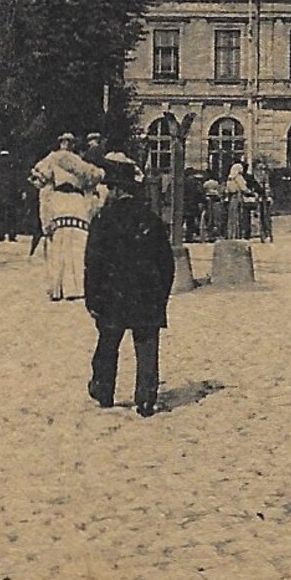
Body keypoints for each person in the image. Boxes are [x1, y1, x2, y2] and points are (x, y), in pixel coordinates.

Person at [83, 155, 173, 417]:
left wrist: (92, 299)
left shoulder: (103, 220)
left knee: (108, 343)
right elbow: (166, 263)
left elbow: (93, 263)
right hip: (146, 295)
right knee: (146, 345)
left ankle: (103, 389)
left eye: (110, 188)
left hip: (112, 296)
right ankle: (146, 397)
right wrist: (161, 296)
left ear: (118, 189)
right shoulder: (151, 219)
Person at [31, 133, 105, 301]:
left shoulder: (51, 160)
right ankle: (73, 287)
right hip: (73, 203)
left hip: (62, 202)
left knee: (62, 244)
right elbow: (95, 177)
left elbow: (38, 179)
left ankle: (58, 288)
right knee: (74, 244)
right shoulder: (80, 163)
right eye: (65, 142)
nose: (66, 145)